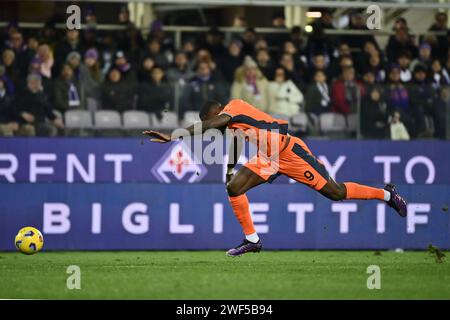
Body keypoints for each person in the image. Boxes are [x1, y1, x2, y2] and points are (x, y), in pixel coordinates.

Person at [143, 99, 408, 256]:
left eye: (210, 121)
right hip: (268, 158)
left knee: (335, 193)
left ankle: (387, 194)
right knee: (234, 188)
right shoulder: (233, 126)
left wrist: (173, 136)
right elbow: (234, 145)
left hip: (289, 151)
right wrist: (228, 172)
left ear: (214, 113)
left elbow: (213, 125)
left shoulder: (233, 108)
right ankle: (253, 241)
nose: (216, 129)